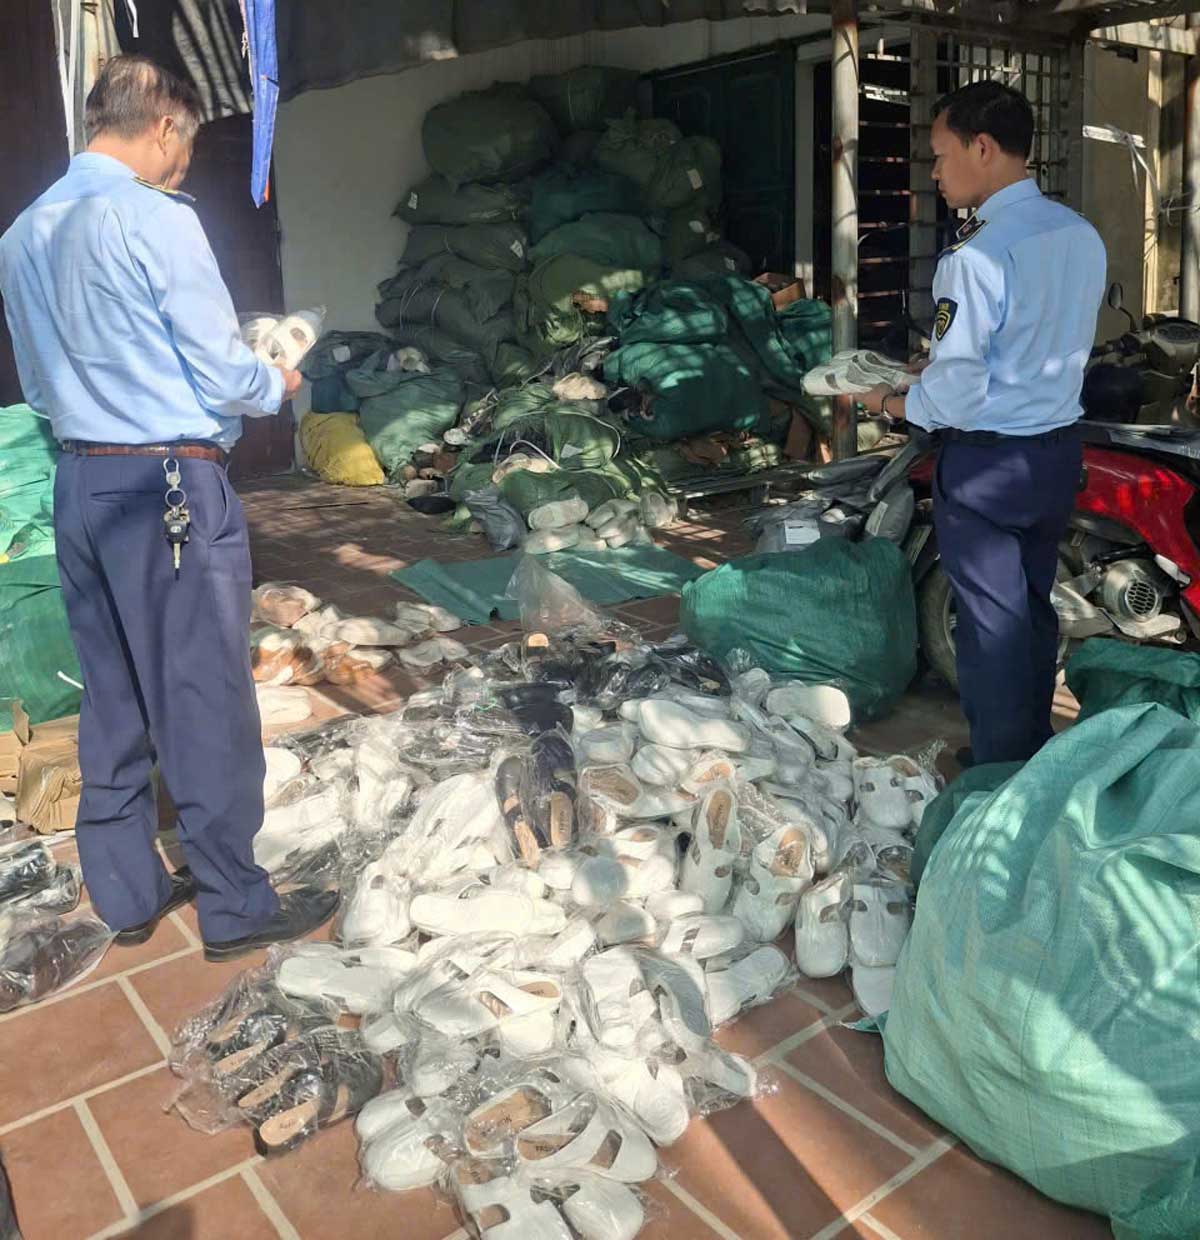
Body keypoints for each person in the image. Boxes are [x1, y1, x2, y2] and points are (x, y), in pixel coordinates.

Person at [0, 55, 337, 959]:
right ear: (164, 127)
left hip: (83, 485)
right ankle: (234, 903)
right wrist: (271, 382)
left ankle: (127, 892)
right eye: (184, 144)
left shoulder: (23, 233)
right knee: (202, 696)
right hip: (168, 487)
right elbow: (216, 362)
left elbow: (36, 382)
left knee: (111, 692)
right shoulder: (155, 219)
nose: (183, 162)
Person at [860, 81, 1107, 766]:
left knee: (990, 630)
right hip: (1055, 455)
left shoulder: (975, 257)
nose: (935, 173)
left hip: (989, 466)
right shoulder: (1079, 235)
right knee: (1031, 612)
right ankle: (1032, 753)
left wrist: (890, 402)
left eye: (940, 157)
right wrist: (936, 370)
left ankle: (998, 778)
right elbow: (1025, 348)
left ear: (984, 148)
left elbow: (959, 397)